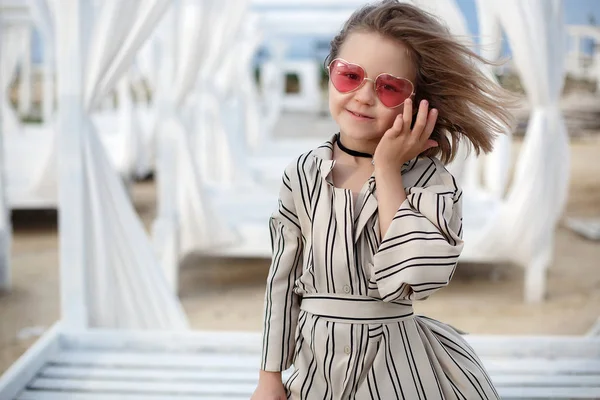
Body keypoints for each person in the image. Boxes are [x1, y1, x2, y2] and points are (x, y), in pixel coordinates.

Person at [251, 1, 514, 399]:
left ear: (418, 103)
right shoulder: (301, 174)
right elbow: (283, 282)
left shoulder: (430, 182)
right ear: (330, 71)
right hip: (315, 367)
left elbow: (413, 279)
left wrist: (388, 170)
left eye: (389, 87)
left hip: (396, 367)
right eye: (349, 75)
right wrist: (269, 377)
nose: (362, 96)